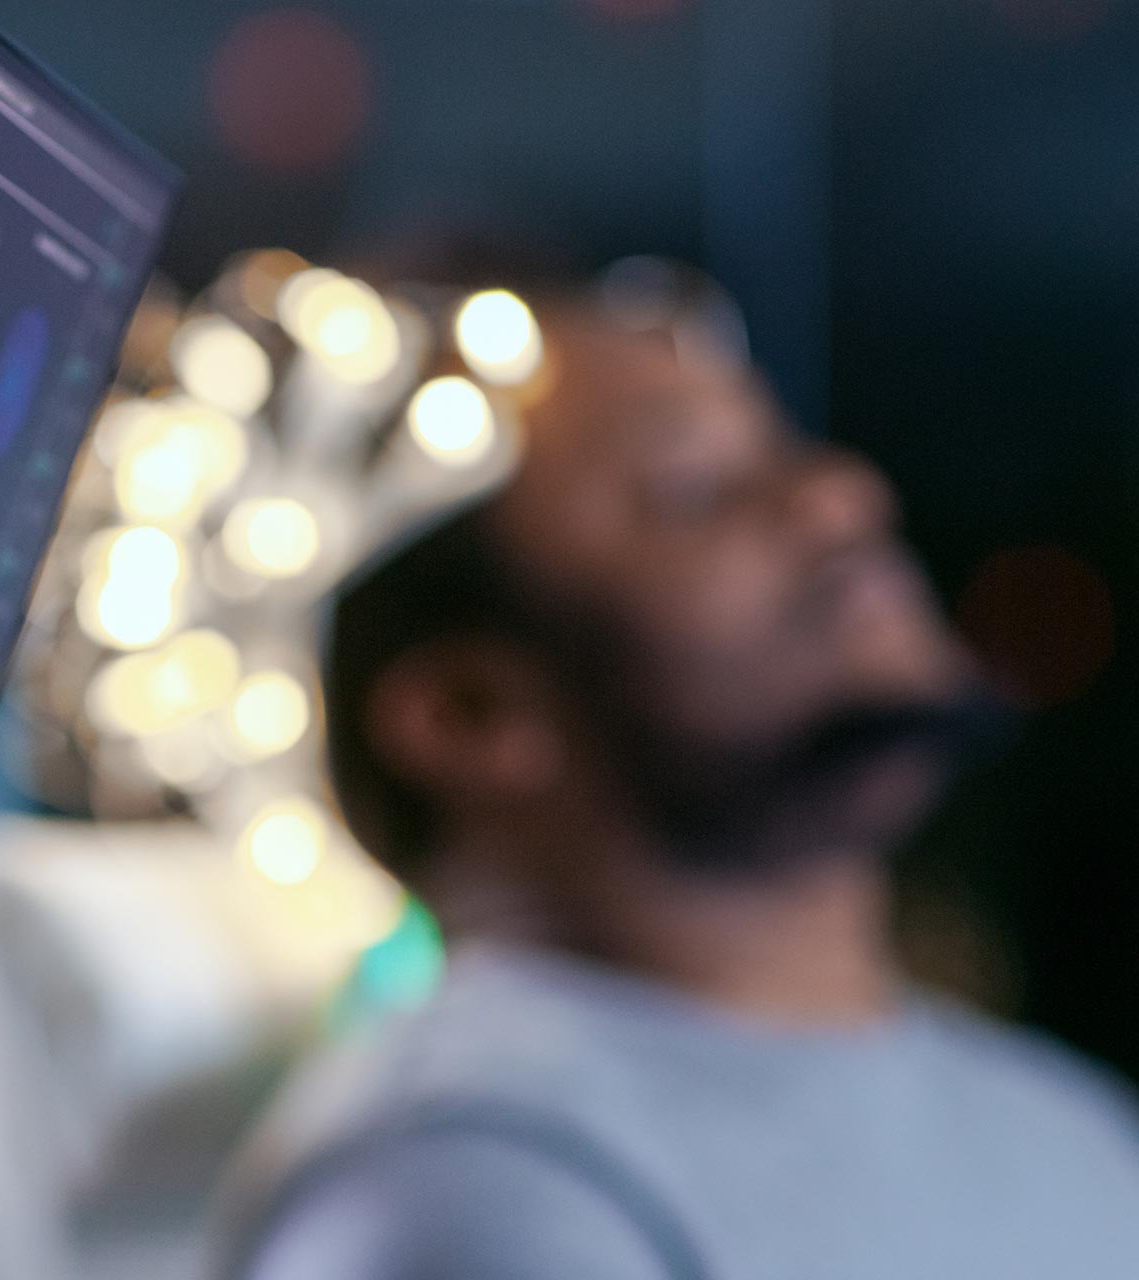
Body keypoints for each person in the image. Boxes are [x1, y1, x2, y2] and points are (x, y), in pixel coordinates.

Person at [218, 291, 1139, 1278]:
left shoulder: (1069, 1123)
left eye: (787, 453)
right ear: (472, 712)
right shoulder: (469, 1184)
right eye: (693, 486)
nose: (841, 495)